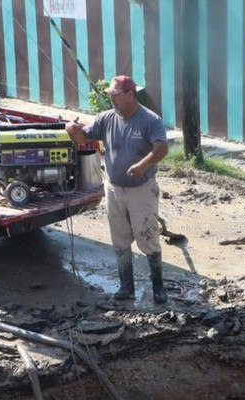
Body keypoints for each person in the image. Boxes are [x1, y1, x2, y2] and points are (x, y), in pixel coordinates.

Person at [65, 76, 170, 303]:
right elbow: (83, 138)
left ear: (131, 94)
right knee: (120, 239)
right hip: (114, 188)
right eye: (110, 94)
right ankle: (126, 287)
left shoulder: (150, 120)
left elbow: (162, 148)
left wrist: (143, 165)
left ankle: (158, 288)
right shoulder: (106, 118)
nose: (111, 98)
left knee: (148, 237)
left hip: (141, 189)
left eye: (116, 94)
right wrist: (71, 130)